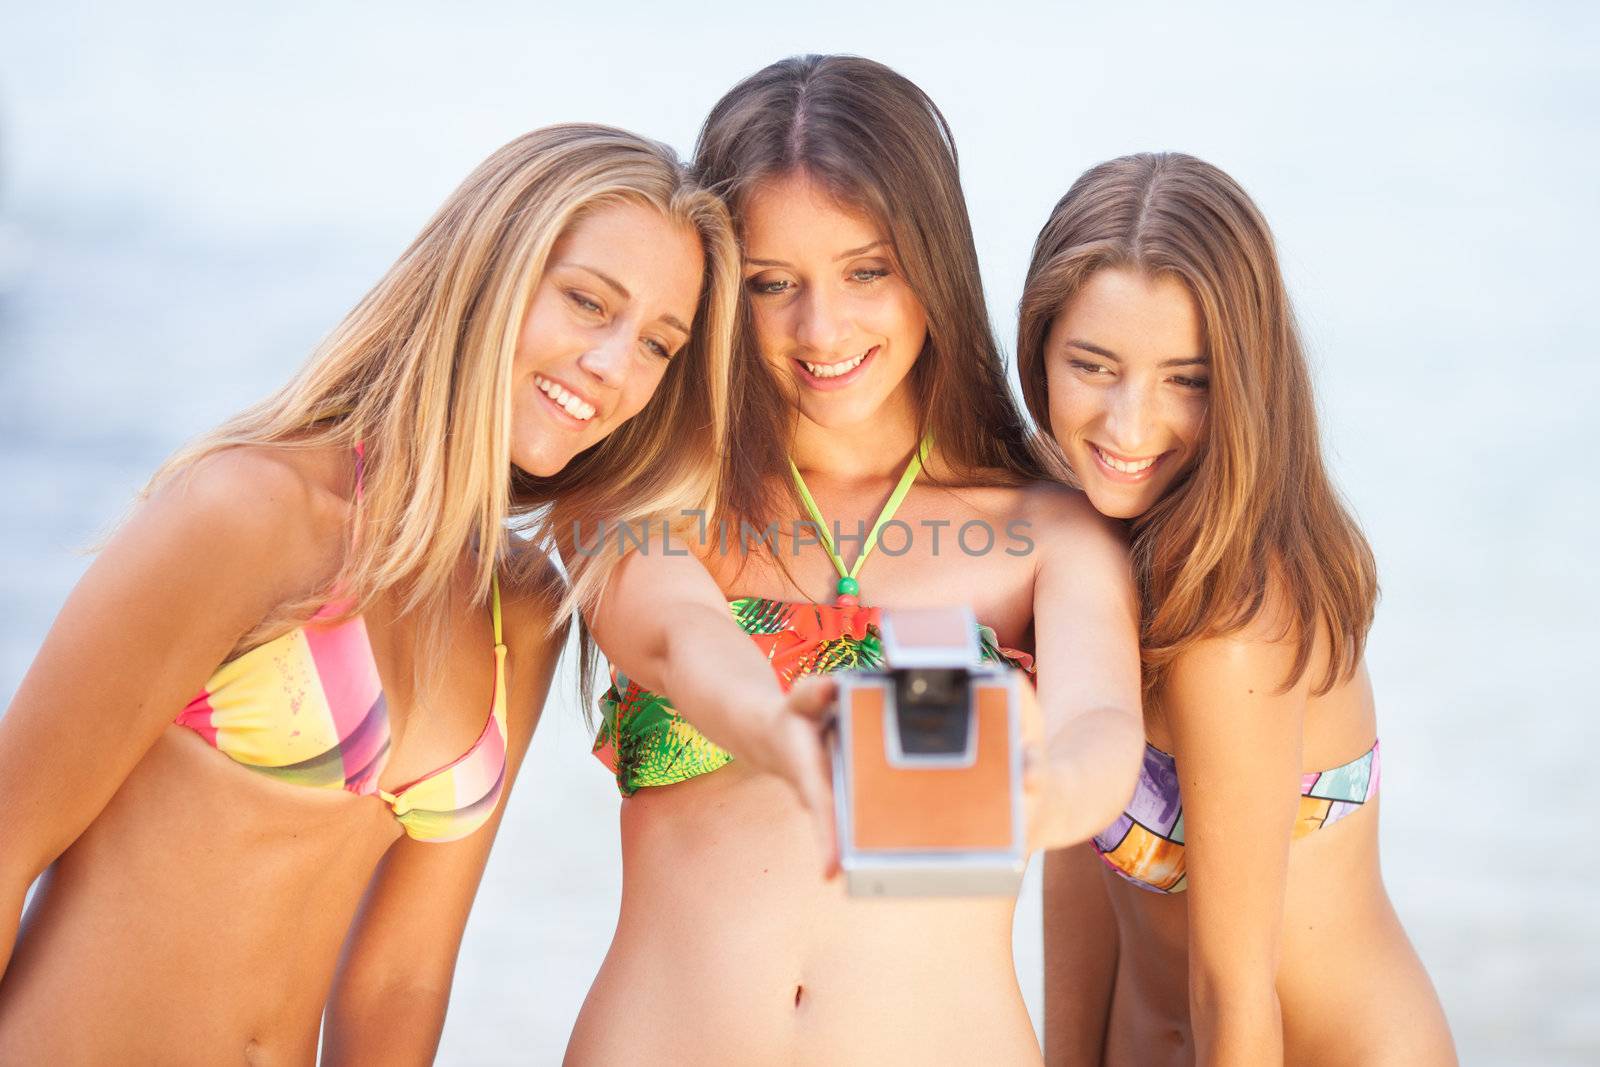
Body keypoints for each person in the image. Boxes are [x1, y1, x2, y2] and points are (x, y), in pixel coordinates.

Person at [0, 123, 744, 1063]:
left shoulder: (520, 608)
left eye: (657, 346)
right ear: (488, 272)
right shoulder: (253, 512)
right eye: (589, 302)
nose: (613, 366)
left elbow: (403, 978)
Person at [566, 55, 1144, 1065]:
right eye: (770, 284)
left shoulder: (1046, 530)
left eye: (865, 271)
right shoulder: (649, 498)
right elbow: (679, 635)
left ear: (932, 261)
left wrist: (1042, 793)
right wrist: (772, 722)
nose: (820, 328)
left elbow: (1102, 729)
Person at [1018, 152, 1456, 1065]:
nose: (1129, 427)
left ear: (1247, 384)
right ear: (1039, 349)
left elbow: (1233, 992)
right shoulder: (1073, 535)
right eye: (1093, 366)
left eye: (1188, 379)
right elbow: (1080, 862)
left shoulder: (1236, 627)